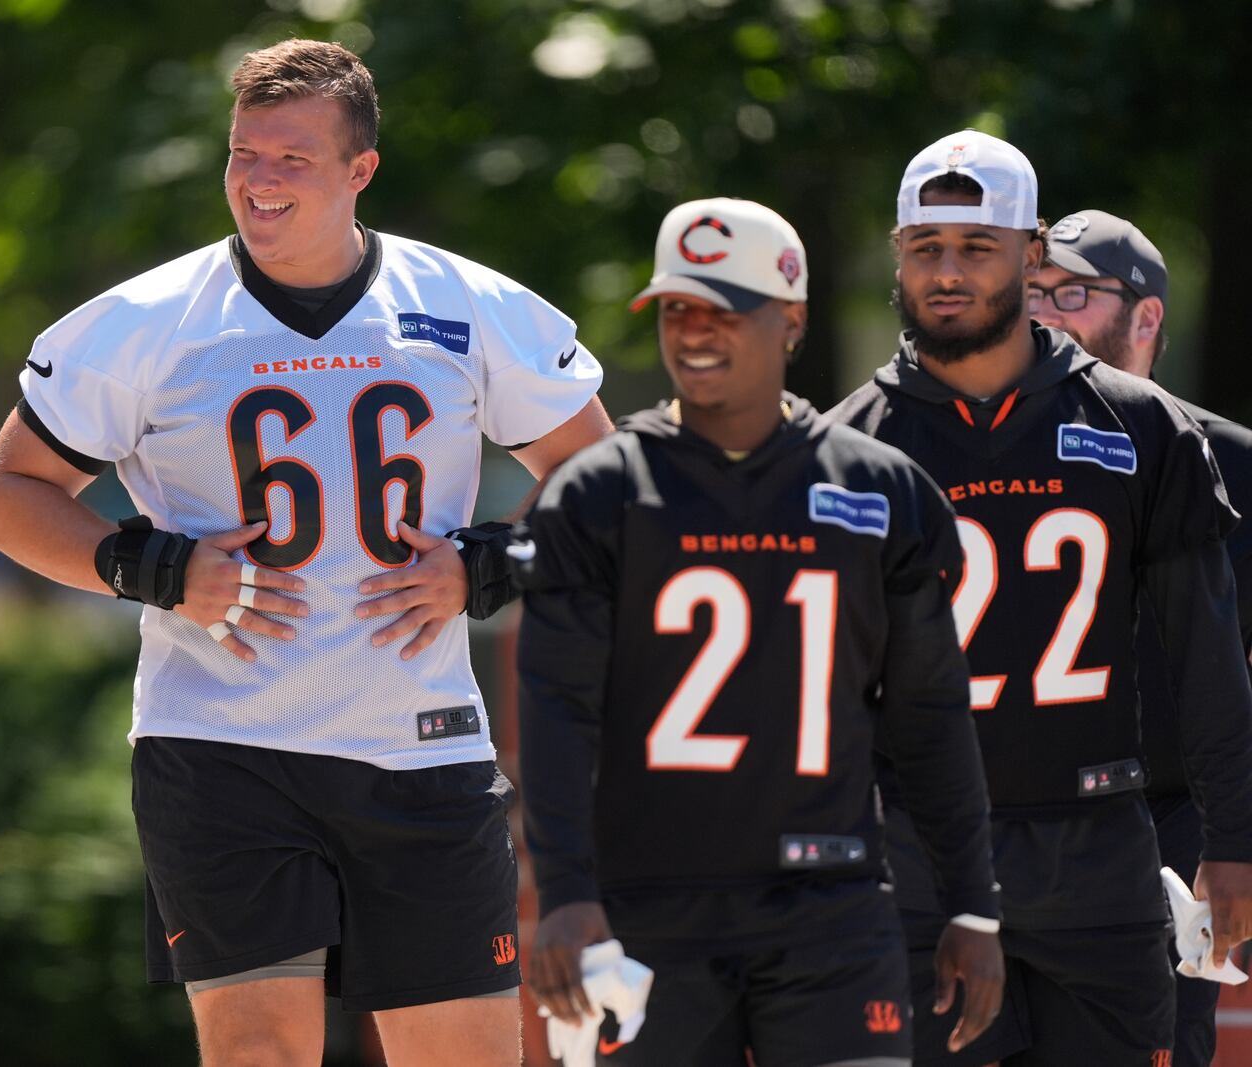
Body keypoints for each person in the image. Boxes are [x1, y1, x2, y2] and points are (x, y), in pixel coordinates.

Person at [0, 39, 612, 1067]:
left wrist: (487, 564)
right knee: (260, 1050)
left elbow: (603, 484)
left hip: (422, 744)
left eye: (291, 159)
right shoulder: (146, 320)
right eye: (243, 154)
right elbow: (5, 495)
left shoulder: (467, 304)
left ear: (360, 170)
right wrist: (157, 567)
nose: (258, 181)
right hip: (221, 745)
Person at [516, 197, 1004, 1067]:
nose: (695, 333)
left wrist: (972, 901)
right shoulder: (596, 495)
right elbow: (557, 711)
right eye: (677, 310)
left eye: (723, 310)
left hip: (832, 905)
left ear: (791, 320)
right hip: (647, 907)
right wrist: (564, 892)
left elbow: (928, 714)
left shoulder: (883, 490)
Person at [830, 129, 1252, 1066]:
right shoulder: (841, 448)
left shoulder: (1142, 424)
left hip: (1100, 847)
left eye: (976, 247)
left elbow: (1206, 656)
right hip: (919, 853)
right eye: (924, 247)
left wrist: (1236, 836)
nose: (947, 272)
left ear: (1032, 253)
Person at [1032, 209, 1252, 1067]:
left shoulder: (1230, 461)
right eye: (1033, 292)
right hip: (1016, 813)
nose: (1045, 311)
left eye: (1073, 293)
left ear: (1148, 316)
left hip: (1171, 822)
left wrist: (1233, 838)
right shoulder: (981, 449)